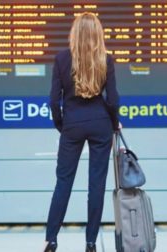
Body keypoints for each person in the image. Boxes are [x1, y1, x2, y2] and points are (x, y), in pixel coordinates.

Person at [44, 12, 120, 252]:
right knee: (96, 185)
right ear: (98, 34)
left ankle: (51, 240)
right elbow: (113, 99)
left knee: (63, 182)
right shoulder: (106, 59)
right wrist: (114, 122)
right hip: (100, 124)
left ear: (74, 33)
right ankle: (90, 243)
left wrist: (62, 125)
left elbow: (53, 101)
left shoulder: (62, 59)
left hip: (72, 125)